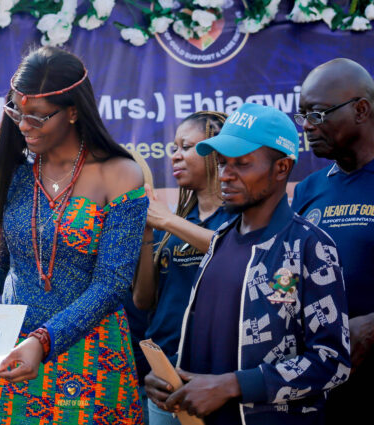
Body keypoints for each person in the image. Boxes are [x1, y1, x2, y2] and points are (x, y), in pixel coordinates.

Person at [0, 46, 148, 424]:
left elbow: (112, 284)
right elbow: (2, 266)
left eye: (37, 116)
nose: (23, 125)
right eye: (17, 112)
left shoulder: (119, 174)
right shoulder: (18, 173)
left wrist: (43, 341)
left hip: (92, 359)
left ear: (73, 112)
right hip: (14, 356)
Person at [159, 103, 350, 425]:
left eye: (242, 164)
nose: (225, 175)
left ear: (281, 168)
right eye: (222, 163)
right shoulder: (219, 241)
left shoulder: (310, 246)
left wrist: (233, 386)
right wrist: (172, 373)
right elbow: (217, 340)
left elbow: (332, 363)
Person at [133, 111, 236, 425]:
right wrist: (147, 233)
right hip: (164, 373)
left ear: (215, 153)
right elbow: (143, 300)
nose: (175, 156)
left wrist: (166, 220)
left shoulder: (238, 217)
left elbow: (232, 252)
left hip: (215, 374)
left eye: (186, 147)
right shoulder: (174, 225)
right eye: (174, 148)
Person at [292, 58, 374, 424]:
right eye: (303, 115)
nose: (307, 125)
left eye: (318, 113)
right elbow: (290, 273)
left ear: (361, 110)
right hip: (324, 388)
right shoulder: (309, 189)